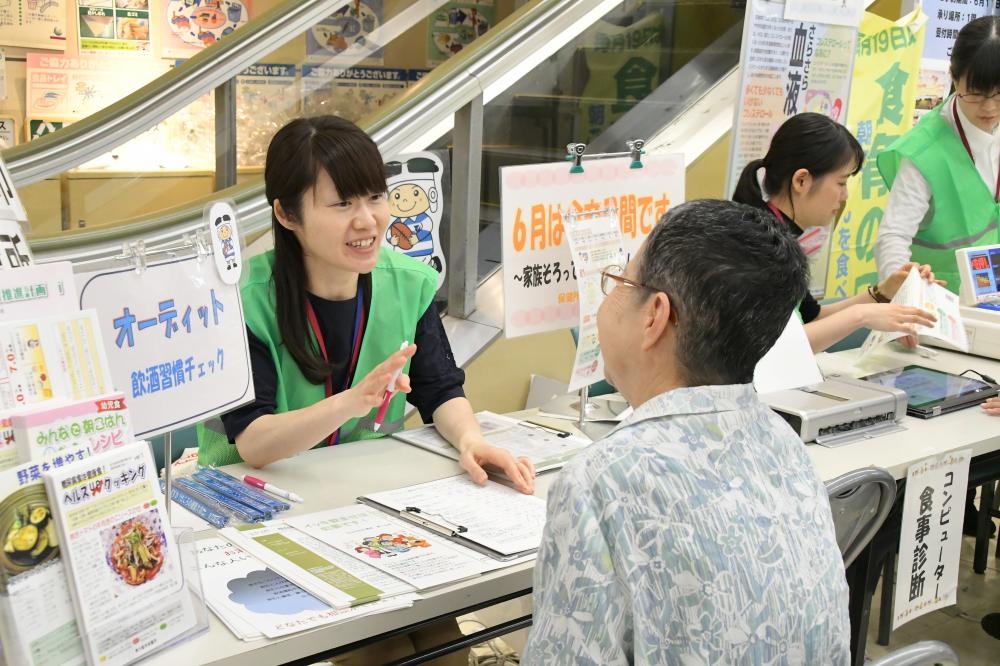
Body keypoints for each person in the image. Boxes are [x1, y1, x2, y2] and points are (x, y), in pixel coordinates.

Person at [523, 200, 850, 665]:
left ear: (654, 315)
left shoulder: (601, 480)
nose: (609, 295)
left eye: (621, 281)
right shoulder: (782, 441)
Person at [196, 115, 535, 499]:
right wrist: (353, 402)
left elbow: (438, 390)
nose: (367, 220)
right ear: (287, 215)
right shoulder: (243, 300)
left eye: (375, 197)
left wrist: (471, 441)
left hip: (357, 489)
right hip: (246, 498)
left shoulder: (409, 282)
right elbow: (253, 442)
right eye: (342, 203)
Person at [733, 112, 938, 352]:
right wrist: (861, 316)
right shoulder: (759, 247)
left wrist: (883, 293)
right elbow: (773, 347)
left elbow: (811, 317)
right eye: (841, 182)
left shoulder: (773, 237)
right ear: (801, 181)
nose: (845, 196)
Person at [876, 15, 1000, 290]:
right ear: (954, 79)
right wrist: (904, 299)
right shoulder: (925, 150)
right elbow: (893, 237)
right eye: (976, 93)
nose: (989, 108)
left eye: (999, 94)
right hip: (941, 306)